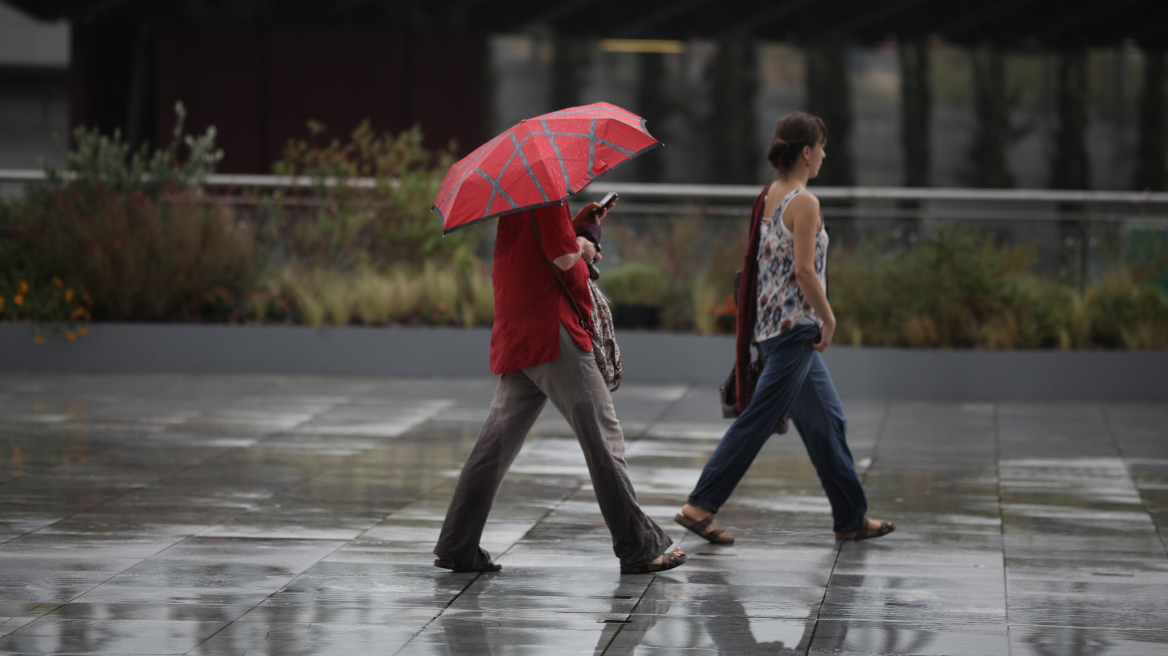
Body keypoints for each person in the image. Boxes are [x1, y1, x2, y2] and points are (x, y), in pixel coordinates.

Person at [434, 197, 686, 574]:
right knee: (603, 437)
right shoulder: (547, 188)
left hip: (519, 328)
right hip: (552, 332)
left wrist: (579, 223)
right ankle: (639, 547)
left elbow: (541, 244)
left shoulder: (519, 196)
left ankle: (457, 544)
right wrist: (584, 244)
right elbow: (564, 258)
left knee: (494, 445)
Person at [675, 112, 894, 544]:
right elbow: (804, 271)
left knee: (828, 420)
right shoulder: (805, 202)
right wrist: (829, 318)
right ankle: (700, 504)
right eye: (822, 147)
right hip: (796, 331)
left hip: (773, 330)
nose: (825, 155)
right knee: (759, 419)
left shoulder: (769, 195)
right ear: (807, 152)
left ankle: (851, 518)